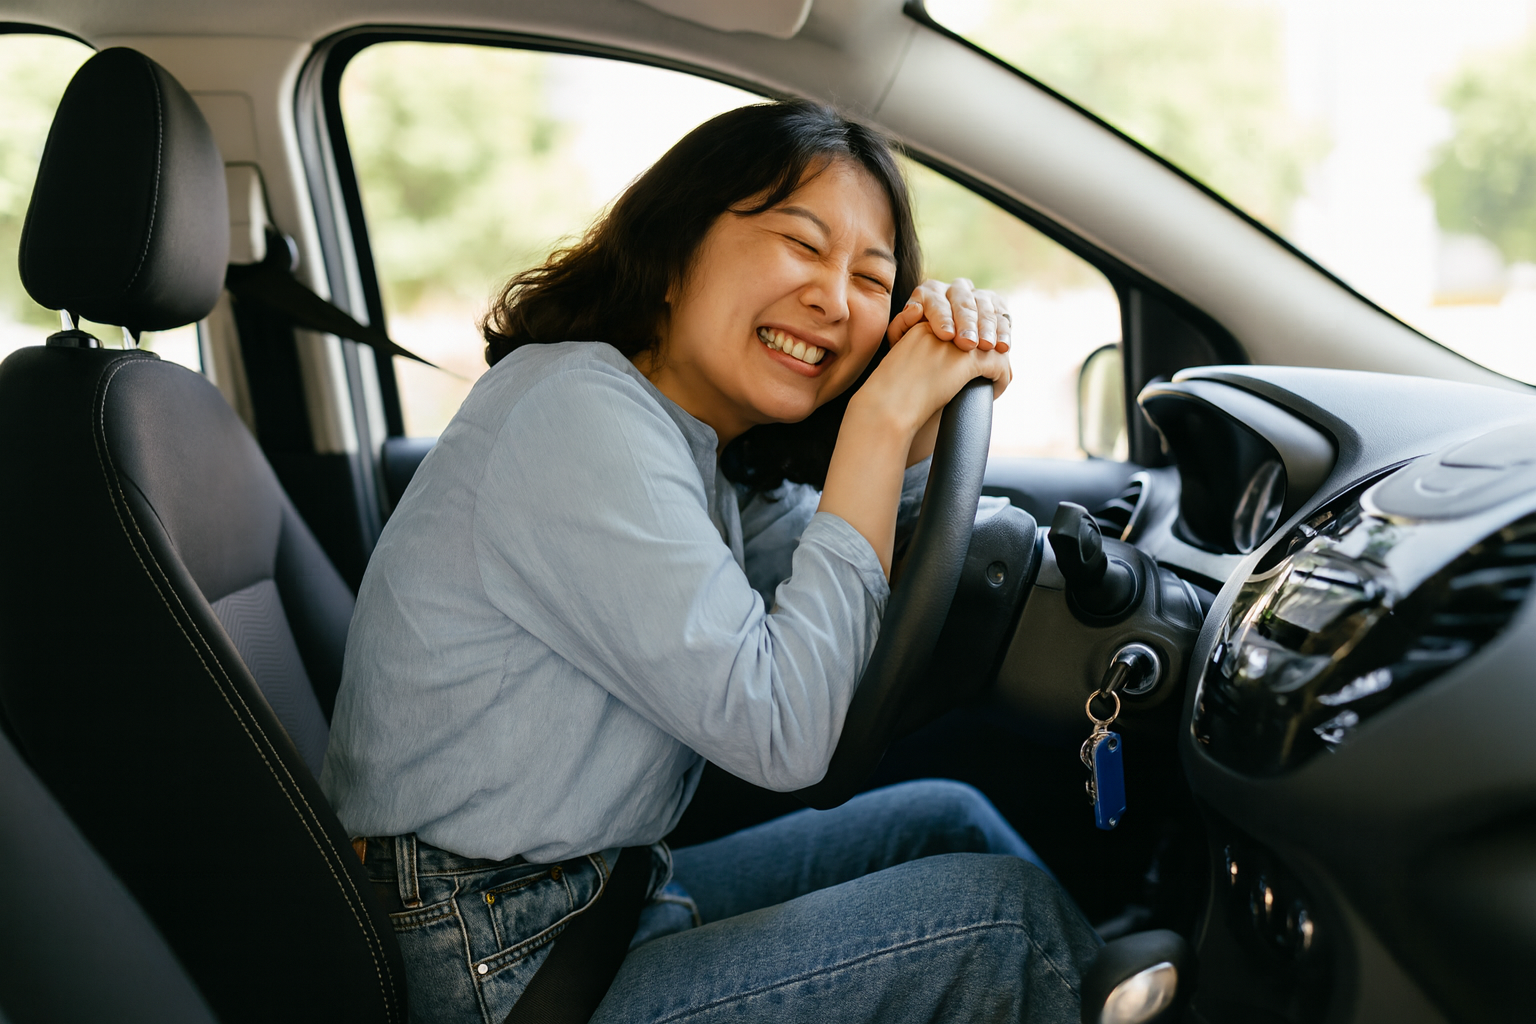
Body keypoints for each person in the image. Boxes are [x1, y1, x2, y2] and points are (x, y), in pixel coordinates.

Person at [321, 100, 1100, 1024]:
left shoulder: (695, 452)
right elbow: (784, 730)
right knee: (1009, 933)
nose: (835, 297)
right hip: (490, 962)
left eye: (872, 277)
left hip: (594, 899)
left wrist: (923, 422)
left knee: (945, 819)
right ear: (673, 249)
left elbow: (843, 557)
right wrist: (880, 419)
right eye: (802, 245)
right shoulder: (579, 417)